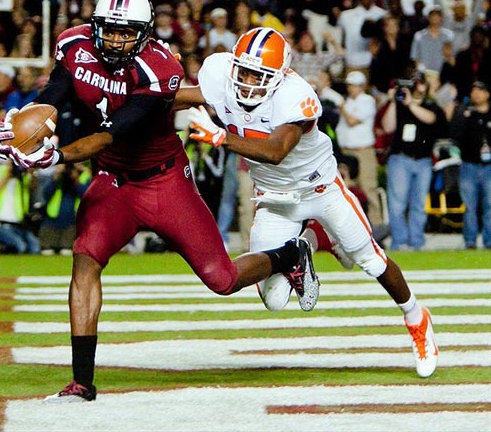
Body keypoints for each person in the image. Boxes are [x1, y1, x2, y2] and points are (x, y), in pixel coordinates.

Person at [0, 0, 318, 402]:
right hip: (113, 181)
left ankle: (290, 255)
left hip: (164, 181)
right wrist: (23, 122)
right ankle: (82, 381)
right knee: (84, 259)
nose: (114, 40)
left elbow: (109, 137)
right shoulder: (74, 44)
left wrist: (53, 156)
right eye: (108, 30)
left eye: (125, 32)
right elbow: (54, 95)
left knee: (222, 279)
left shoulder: (159, 68)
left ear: (145, 34)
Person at [175, 27, 438, 379]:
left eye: (259, 74)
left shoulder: (296, 95)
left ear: (280, 76)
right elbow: (175, 96)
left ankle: (415, 317)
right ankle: (304, 248)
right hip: (273, 199)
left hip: (320, 190)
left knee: (369, 259)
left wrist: (223, 137)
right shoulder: (219, 74)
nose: (248, 81)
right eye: (244, 71)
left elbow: (275, 151)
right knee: (274, 300)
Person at [382, 72, 447, 251]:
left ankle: (417, 241)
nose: (417, 86)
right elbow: (387, 127)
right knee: (397, 204)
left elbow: (430, 118)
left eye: (420, 83)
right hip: (401, 158)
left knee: (419, 203)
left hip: (423, 161)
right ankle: (400, 241)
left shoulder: (431, 106)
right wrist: (394, 101)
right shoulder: (400, 105)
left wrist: (410, 103)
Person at [337, 71, 383, 226]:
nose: (351, 88)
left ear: (362, 86)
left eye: (354, 85)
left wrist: (342, 107)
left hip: (363, 151)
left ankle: (377, 227)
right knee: (347, 190)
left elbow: (352, 121)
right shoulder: (348, 101)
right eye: (349, 85)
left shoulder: (367, 101)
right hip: (347, 151)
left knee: (368, 189)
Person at [449, 81, 491, 249]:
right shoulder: (465, 113)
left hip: (489, 166)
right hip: (469, 165)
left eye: (480, 90)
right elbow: (453, 133)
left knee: (490, 205)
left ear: (487, 93)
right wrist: (461, 114)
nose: (476, 94)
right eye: (474, 90)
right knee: (470, 206)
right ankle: (470, 241)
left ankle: (489, 241)